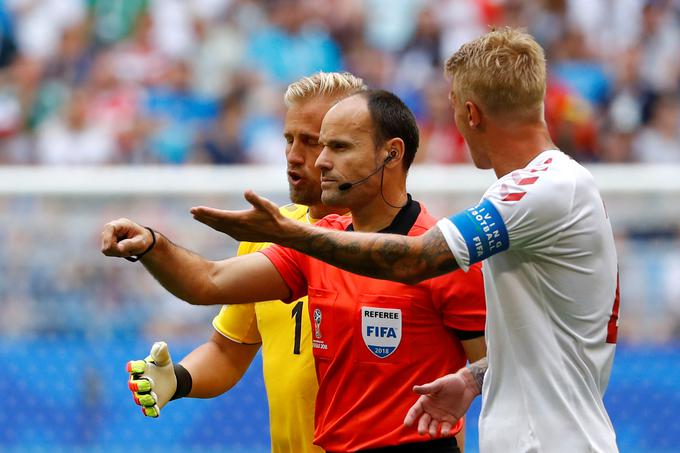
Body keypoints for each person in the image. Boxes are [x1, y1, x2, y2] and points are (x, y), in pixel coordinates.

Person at [190, 28, 620, 453]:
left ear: (470, 114)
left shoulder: (540, 190)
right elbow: (540, 346)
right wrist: (473, 379)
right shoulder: (543, 192)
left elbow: (415, 259)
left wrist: (293, 235)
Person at [102, 89, 487, 452]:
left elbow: (502, 368)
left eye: (332, 145)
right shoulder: (311, 243)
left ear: (391, 154)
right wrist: (153, 244)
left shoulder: (443, 256)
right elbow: (207, 282)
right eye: (291, 140)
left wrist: (471, 382)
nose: (317, 160)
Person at [124, 71, 366, 453]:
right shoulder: (268, 235)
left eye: (311, 141)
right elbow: (227, 352)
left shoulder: (397, 246)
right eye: (289, 139)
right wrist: (179, 378)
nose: (293, 156)